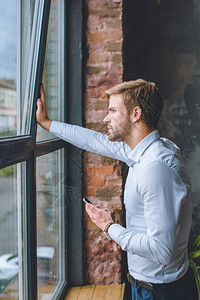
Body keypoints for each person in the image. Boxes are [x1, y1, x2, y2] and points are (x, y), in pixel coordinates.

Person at [36, 79, 198, 300]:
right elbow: (94, 140)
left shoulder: (154, 168)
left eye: (112, 110)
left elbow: (163, 251)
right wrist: (46, 123)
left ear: (135, 114)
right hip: (146, 287)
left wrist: (108, 227)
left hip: (159, 292)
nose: (105, 118)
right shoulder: (144, 153)